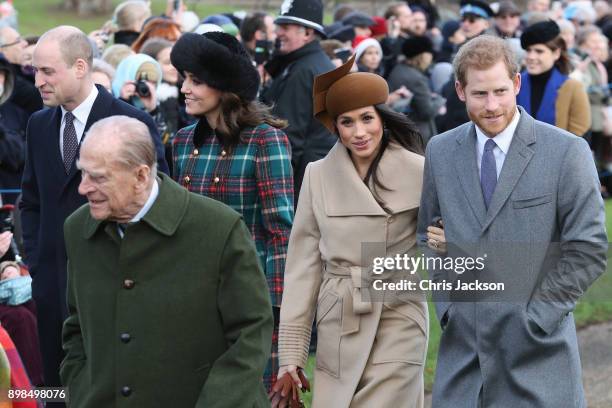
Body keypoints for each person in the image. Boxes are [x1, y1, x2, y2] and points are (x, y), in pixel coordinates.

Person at [417, 34, 607, 407]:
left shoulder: (567, 152)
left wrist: (537, 317)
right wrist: (449, 306)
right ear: (459, 90)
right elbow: (430, 234)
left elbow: (588, 248)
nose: (492, 106)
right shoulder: (439, 151)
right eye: (480, 94)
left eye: (501, 91)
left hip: (539, 355)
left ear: (517, 83)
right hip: (464, 362)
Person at [62, 115, 273, 407]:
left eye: (98, 177)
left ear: (140, 176)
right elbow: (76, 330)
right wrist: (83, 389)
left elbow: (251, 333)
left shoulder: (218, 228)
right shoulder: (78, 230)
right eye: (82, 173)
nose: (83, 188)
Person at [19, 25, 167, 392]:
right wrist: (39, 264)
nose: (38, 81)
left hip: (116, 283)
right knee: (57, 388)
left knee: (112, 387)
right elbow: (32, 201)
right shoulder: (38, 125)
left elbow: (156, 202)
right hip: (53, 289)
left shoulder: (131, 122)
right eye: (35, 71)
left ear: (81, 67)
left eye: (48, 71)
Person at [276, 55, 427, 407]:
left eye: (367, 119)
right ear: (335, 127)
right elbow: (302, 268)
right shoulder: (317, 175)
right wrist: (292, 355)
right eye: (347, 122)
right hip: (339, 317)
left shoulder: (420, 170)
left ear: (382, 119)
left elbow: (452, 239)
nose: (359, 132)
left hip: (399, 312)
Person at [170, 31, 294, 392]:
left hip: (250, 298)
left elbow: (281, 229)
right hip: (194, 297)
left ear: (223, 86)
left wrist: (277, 309)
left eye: (196, 80)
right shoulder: (181, 142)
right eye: (184, 79)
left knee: (252, 393)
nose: (184, 89)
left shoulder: (265, 139)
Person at [261, 0, 337, 200]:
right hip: (318, 176)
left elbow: (288, 136)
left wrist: (277, 191)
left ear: (307, 33)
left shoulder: (302, 70)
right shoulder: (314, 64)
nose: (278, 33)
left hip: (302, 182)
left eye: (286, 27)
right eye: (279, 26)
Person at [517, 20, 591, 137]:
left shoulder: (573, 88)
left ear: (556, 53)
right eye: (528, 50)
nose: (531, 56)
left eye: (539, 51)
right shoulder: (516, 83)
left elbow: (579, 135)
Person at [388, 36, 444, 145]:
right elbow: (426, 112)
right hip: (418, 136)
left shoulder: (398, 69)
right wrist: (439, 99)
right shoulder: (417, 78)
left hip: (402, 133)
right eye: (429, 53)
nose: (431, 57)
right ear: (422, 56)